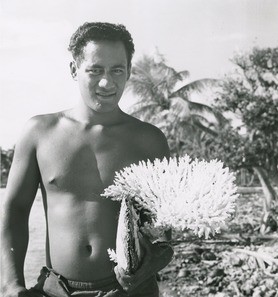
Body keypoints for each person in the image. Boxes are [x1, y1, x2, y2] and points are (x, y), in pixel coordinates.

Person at [1, 22, 174, 297]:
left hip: (131, 291)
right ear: (74, 70)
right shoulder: (40, 133)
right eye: (95, 70)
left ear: (128, 71)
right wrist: (11, 285)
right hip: (55, 290)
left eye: (117, 70)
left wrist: (149, 265)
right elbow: (14, 211)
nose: (107, 82)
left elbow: (165, 231)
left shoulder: (149, 140)